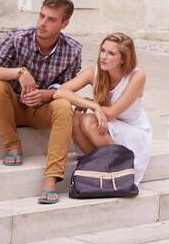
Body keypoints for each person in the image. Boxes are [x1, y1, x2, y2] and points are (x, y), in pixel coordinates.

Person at [0, 0, 82, 205]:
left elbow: (68, 88)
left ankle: (51, 179)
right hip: (12, 108)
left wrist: (46, 94)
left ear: (65, 23)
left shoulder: (73, 50)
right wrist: (19, 73)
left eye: (51, 19)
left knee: (63, 105)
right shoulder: (17, 38)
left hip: (42, 111)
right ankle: (13, 147)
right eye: (41, 16)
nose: (42, 24)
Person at [54, 32, 152, 187]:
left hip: (133, 131)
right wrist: (92, 105)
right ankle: (100, 168)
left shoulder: (136, 76)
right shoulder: (94, 72)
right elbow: (60, 92)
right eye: (103, 50)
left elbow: (112, 113)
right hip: (108, 127)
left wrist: (92, 106)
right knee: (74, 118)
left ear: (123, 59)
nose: (104, 57)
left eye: (111, 53)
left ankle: (118, 168)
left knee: (87, 120)